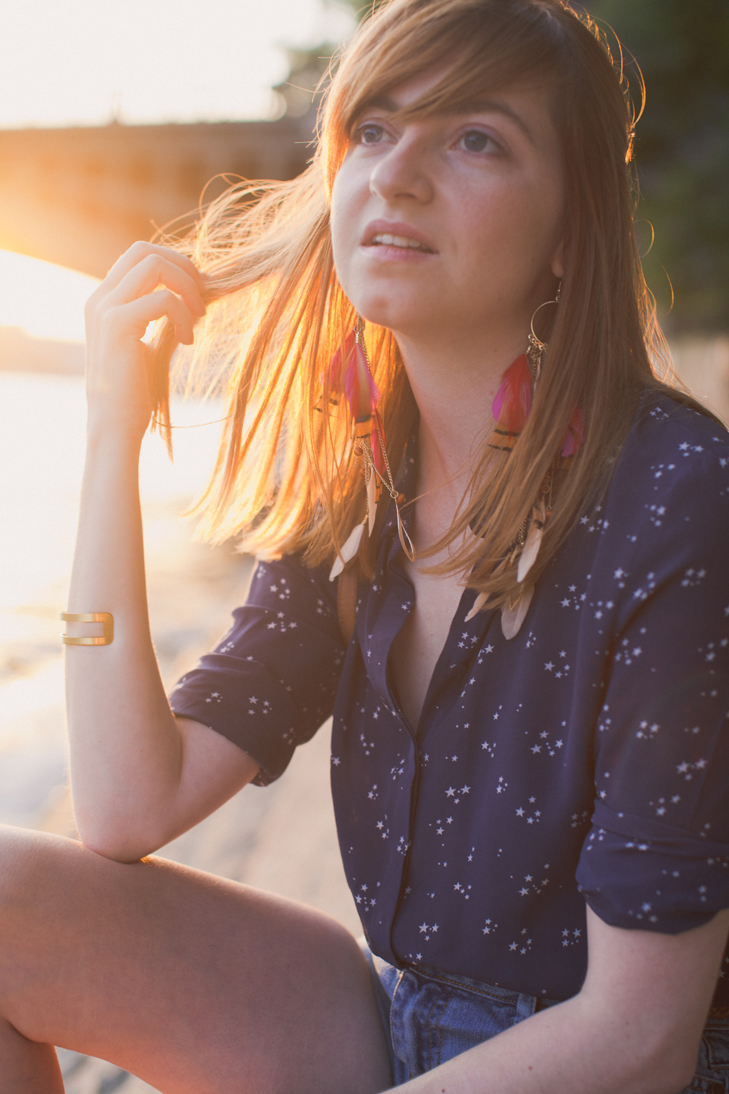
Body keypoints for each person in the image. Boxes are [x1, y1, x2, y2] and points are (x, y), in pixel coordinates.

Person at [1, 0, 728, 1090]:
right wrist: (112, 435)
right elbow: (124, 802)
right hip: (394, 1016)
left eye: (475, 138)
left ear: (572, 230)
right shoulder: (364, 490)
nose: (396, 174)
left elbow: (641, 1035)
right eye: (374, 130)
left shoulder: (675, 493)